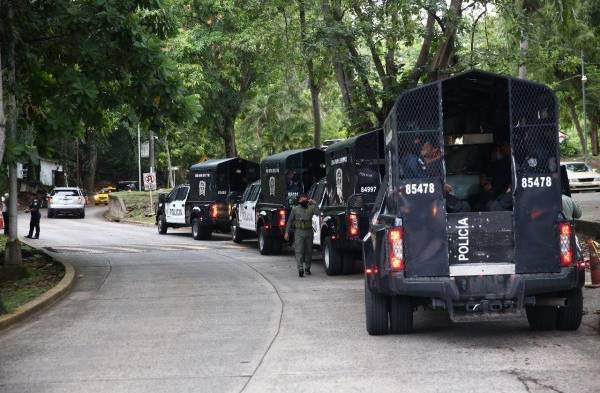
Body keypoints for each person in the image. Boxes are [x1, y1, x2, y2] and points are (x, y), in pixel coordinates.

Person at [284, 193, 319, 277]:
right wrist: (286, 232)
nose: (303, 200)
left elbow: (318, 213)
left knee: (309, 251)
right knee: (299, 251)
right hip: (299, 232)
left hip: (309, 232)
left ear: (307, 199)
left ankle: (307, 268)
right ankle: (300, 269)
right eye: (301, 199)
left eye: (305, 199)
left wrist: (315, 203)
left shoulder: (311, 208)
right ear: (299, 200)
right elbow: (289, 221)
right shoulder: (295, 209)